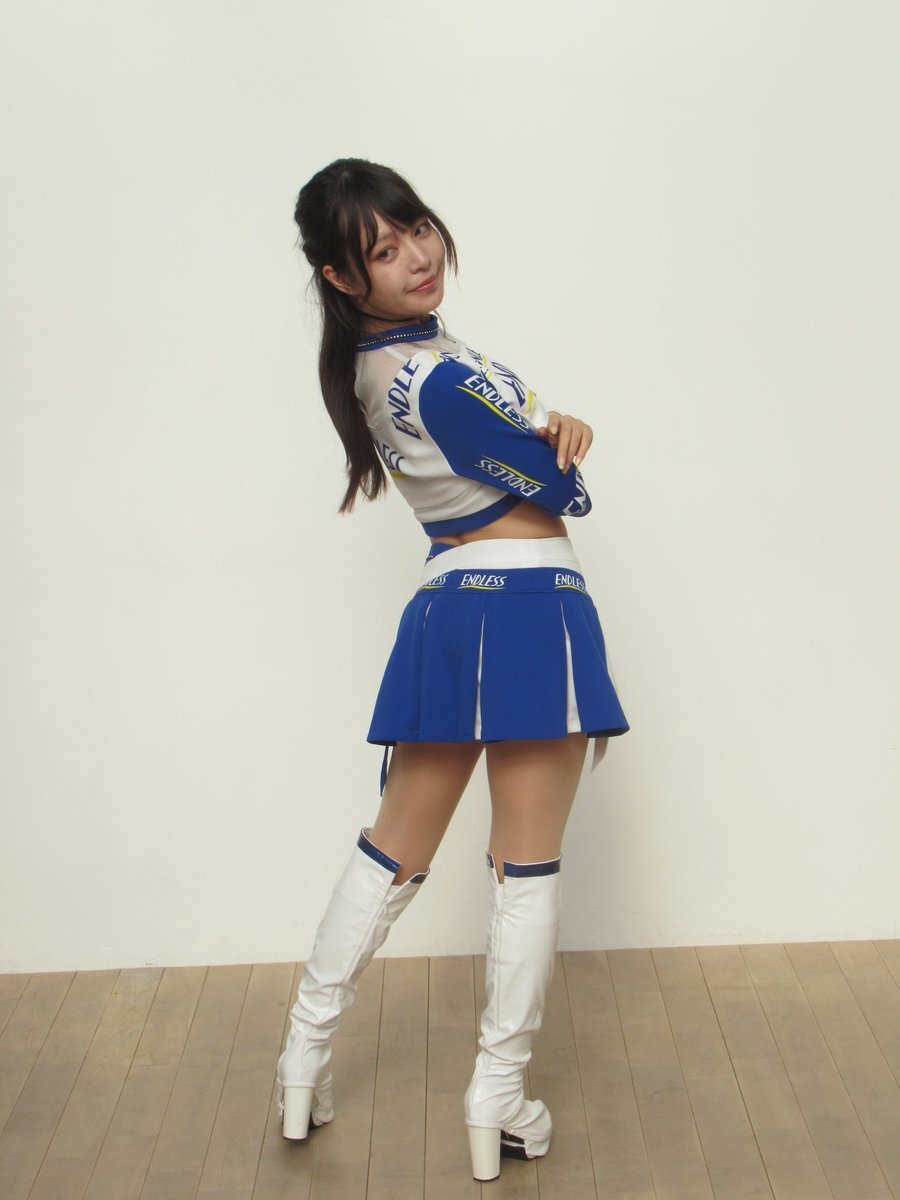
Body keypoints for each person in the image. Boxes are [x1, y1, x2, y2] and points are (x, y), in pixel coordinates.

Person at [276, 157, 629, 1182]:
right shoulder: (432, 371)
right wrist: (563, 436)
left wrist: (543, 430)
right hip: (530, 605)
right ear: (342, 277)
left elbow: (508, 452)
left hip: (448, 604)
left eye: (416, 228)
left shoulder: (381, 367)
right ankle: (498, 1095)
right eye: (383, 250)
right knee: (526, 865)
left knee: (390, 851)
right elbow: (561, 488)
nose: (417, 255)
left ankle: (301, 1058)